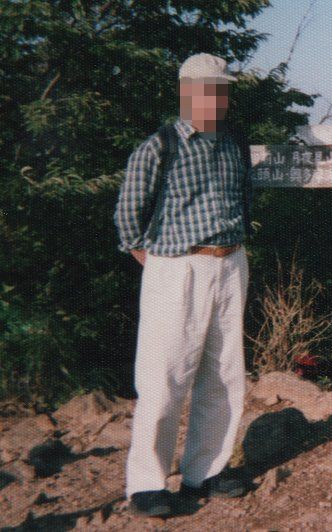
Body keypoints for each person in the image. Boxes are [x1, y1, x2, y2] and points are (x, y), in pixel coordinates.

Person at [115, 53, 252, 516]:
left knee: (224, 373)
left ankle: (205, 472)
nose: (216, 99)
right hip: (176, 267)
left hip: (230, 263)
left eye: (222, 90)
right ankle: (147, 484)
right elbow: (128, 219)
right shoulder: (159, 146)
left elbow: (243, 199)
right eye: (207, 90)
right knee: (164, 375)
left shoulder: (234, 143)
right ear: (187, 93)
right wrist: (160, 262)